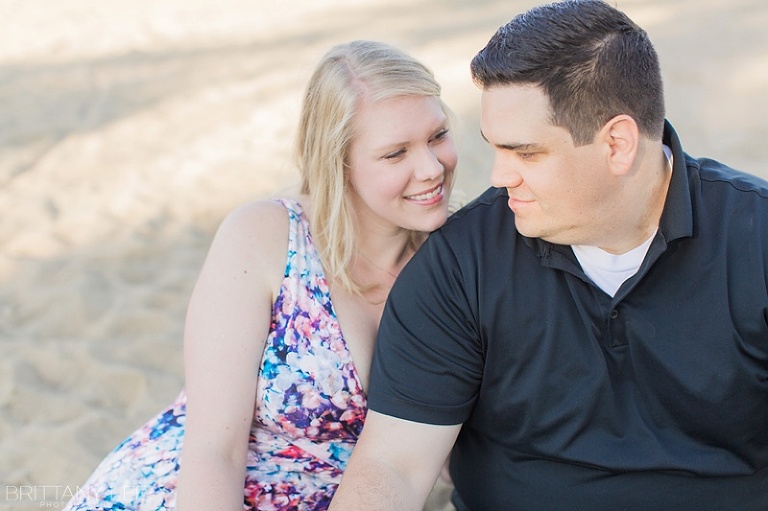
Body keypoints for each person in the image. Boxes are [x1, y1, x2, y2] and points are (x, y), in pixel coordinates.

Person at [329, 1, 768, 510]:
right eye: (495, 148)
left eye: (527, 153)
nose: (499, 176)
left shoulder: (755, 241)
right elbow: (394, 467)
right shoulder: (460, 263)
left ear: (618, 144)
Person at [63, 39, 458, 511]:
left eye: (437, 136)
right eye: (395, 154)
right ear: (340, 162)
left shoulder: (460, 263)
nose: (432, 168)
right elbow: (214, 449)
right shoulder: (267, 238)